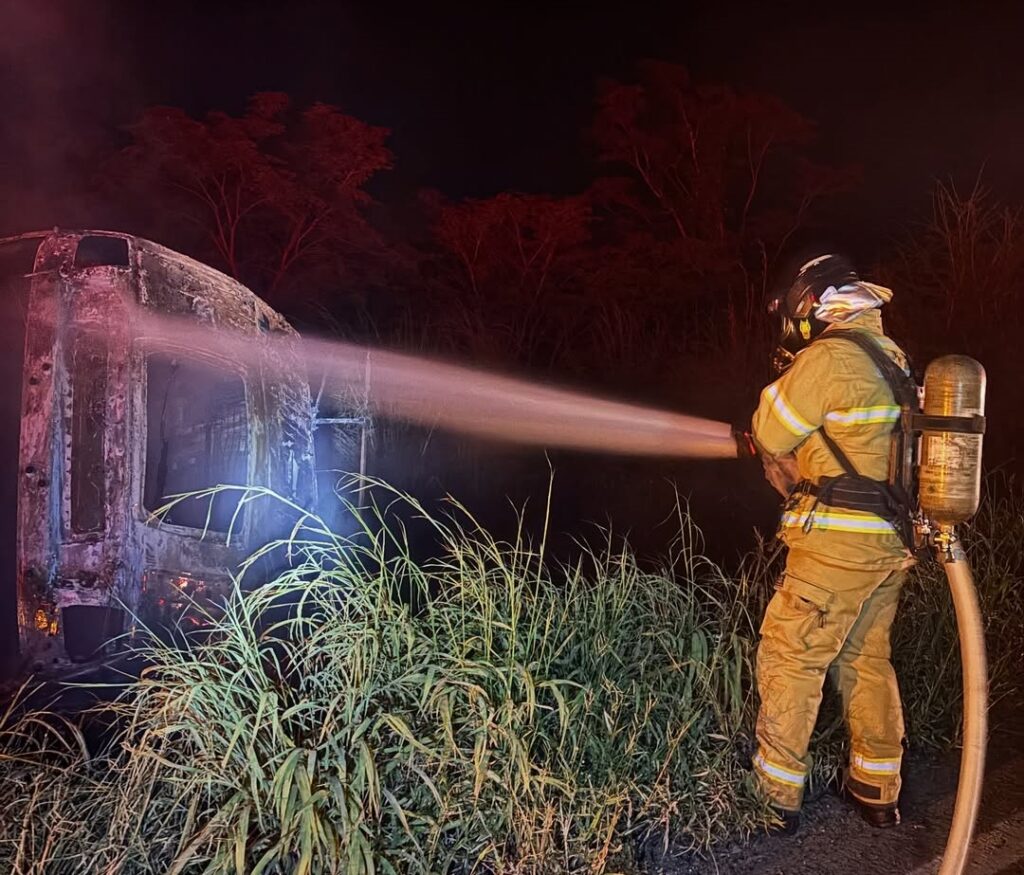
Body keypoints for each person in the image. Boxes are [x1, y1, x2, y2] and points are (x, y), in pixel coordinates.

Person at [746, 253, 917, 833]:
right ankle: (877, 786)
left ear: (810, 307)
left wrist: (790, 372)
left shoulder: (831, 358)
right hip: (889, 543)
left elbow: (770, 429)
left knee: (791, 655)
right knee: (866, 658)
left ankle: (773, 798)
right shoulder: (891, 358)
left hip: (837, 545)